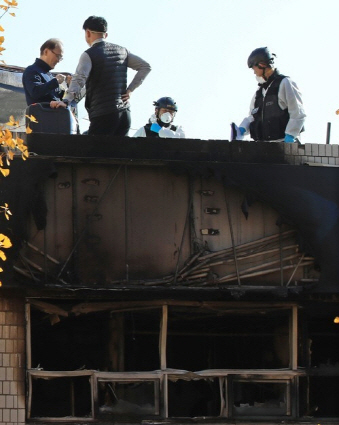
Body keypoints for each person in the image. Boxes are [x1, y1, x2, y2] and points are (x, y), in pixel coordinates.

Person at [55, 15, 151, 136]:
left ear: (88, 33)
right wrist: (130, 89)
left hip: (103, 113)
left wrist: (66, 101)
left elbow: (80, 78)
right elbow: (145, 67)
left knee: (94, 152)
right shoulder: (123, 51)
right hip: (124, 115)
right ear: (105, 35)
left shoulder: (89, 54)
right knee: (117, 153)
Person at [238, 47, 306, 143]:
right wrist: (242, 128)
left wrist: (291, 134)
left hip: (284, 144)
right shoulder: (259, 92)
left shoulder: (285, 83)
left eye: (254, 68)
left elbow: (298, 112)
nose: (254, 72)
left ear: (262, 65)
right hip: (265, 147)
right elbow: (253, 116)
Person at [22, 38, 67, 105]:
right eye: (57, 56)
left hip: (54, 114)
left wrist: (67, 85)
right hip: (41, 114)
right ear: (46, 51)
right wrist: (56, 81)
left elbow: (55, 98)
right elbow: (35, 92)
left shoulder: (49, 76)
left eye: (60, 57)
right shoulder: (32, 70)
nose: (58, 60)